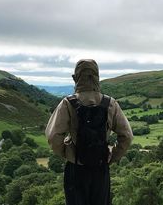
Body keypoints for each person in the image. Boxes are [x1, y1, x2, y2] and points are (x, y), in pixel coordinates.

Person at [45, 59, 133, 205]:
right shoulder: (110, 103)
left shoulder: (68, 102)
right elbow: (127, 136)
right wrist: (112, 157)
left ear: (76, 77)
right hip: (101, 168)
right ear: (97, 77)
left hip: (76, 168)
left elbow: (53, 136)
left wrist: (68, 154)